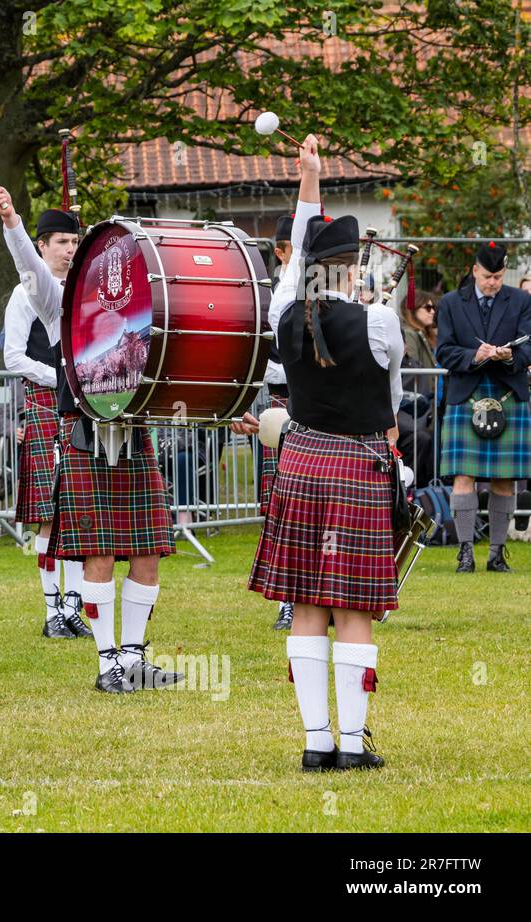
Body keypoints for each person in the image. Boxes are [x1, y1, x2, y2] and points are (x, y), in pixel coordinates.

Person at [247, 134, 402, 772]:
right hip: (359, 467)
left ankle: (316, 743)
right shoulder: (379, 321)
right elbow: (390, 407)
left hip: (301, 462)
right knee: (354, 607)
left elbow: (297, 262)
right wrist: (311, 178)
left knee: (308, 602)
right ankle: (352, 744)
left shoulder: (284, 311)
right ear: (354, 265)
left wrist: (308, 180)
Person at [0, 186, 182, 693]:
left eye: (89, 250)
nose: (82, 257)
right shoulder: (57, 304)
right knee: (98, 552)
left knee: (147, 553)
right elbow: (30, 268)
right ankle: (107, 663)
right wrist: (10, 218)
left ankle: (136, 659)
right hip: (86, 437)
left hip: (133, 433)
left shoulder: (132, 303)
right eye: (72, 246)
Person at [0, 212, 91, 639]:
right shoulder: (25, 294)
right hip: (44, 403)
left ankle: (73, 608)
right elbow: (13, 357)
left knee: (75, 512)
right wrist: (66, 377)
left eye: (74, 242)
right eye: (61, 242)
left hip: (77, 409)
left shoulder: (83, 290)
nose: (70, 250)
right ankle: (53, 611)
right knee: (48, 517)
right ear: (41, 246)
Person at [435, 242, 531, 573]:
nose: (493, 282)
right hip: (467, 393)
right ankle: (465, 552)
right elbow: (444, 351)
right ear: (475, 270)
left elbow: (529, 346)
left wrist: (511, 356)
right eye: (488, 276)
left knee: (505, 479)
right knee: (464, 476)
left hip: (508, 392)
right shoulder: (450, 302)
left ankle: (497, 553)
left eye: (499, 276)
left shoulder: (521, 301)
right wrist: (474, 356)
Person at [263, 213, 297, 631]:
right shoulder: (268, 297)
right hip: (282, 408)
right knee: (284, 508)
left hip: (324, 412)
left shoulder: (325, 294)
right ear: (280, 251)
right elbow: (265, 365)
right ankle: (288, 600)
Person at [401, 298, 438, 370]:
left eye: (433, 308)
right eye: (428, 308)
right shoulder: (409, 334)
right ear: (414, 310)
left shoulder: (427, 334)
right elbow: (413, 369)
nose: (433, 312)